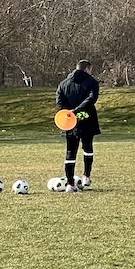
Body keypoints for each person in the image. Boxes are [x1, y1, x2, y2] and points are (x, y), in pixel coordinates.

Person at [56, 59, 100, 191]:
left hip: (68, 120)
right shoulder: (92, 82)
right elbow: (92, 98)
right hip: (87, 119)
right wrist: (78, 110)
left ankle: (70, 184)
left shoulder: (63, 84)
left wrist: (68, 112)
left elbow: (59, 101)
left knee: (70, 151)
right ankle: (86, 175)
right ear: (87, 69)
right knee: (88, 148)